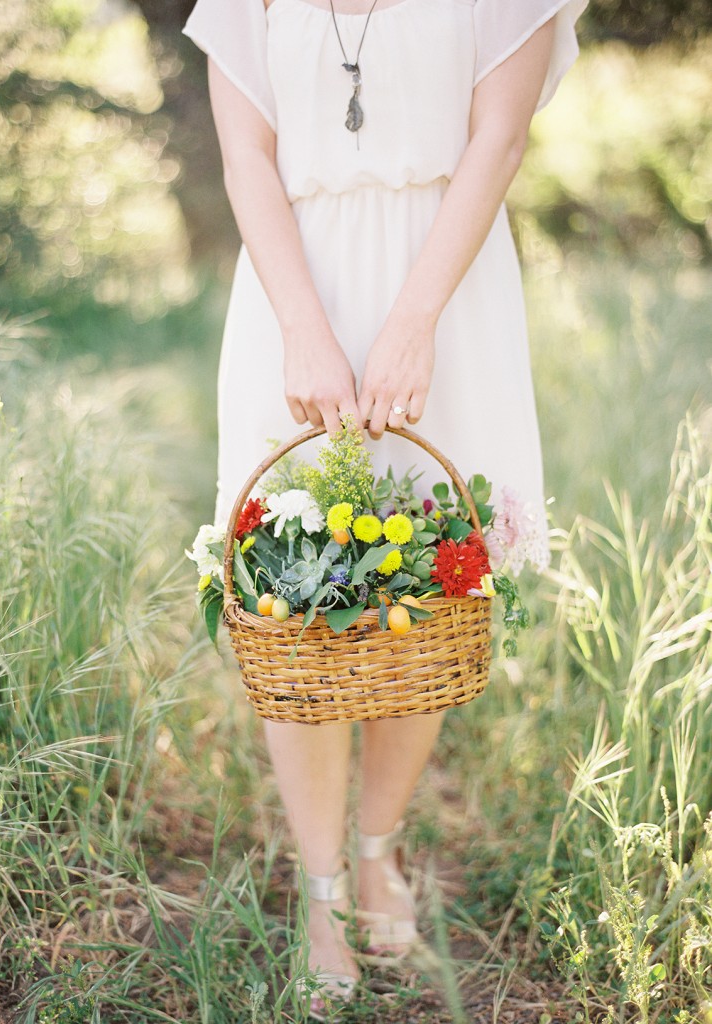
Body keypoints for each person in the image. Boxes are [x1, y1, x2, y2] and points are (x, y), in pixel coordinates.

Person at [183, 0, 586, 1016]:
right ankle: (320, 893)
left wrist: (415, 322)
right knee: (293, 604)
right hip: (293, 285)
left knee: (430, 587)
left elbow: (499, 136)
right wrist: (303, 331)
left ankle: (374, 854)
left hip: (448, 283)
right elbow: (247, 158)